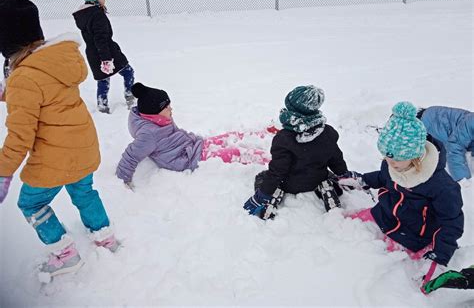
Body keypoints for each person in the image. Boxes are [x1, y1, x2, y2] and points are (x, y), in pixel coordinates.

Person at [0, 0, 117, 280]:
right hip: (83, 146)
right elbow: (49, 97)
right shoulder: (55, 61)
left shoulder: (24, 78)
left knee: (31, 203)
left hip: (55, 157)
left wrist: (3, 171)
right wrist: (10, 95)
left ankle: (65, 255)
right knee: (84, 191)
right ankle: (105, 237)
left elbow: (20, 135)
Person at [338, 101, 464, 286]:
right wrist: (362, 180)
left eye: (396, 159)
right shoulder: (392, 164)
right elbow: (383, 177)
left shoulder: (441, 186)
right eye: (386, 157)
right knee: (346, 227)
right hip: (384, 215)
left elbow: (451, 223)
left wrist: (439, 256)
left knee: (378, 270)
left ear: (415, 155)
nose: (390, 163)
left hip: (414, 235)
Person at [116, 83, 272, 189]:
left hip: (191, 146)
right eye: (167, 107)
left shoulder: (159, 118)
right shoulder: (148, 134)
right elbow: (131, 156)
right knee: (235, 153)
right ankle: (271, 160)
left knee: (228, 137)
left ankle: (265, 133)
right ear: (154, 112)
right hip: (187, 159)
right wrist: (123, 179)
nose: (171, 109)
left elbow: (173, 135)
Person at [243, 85, 348, 220]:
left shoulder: (284, 138)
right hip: (317, 179)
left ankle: (274, 194)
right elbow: (336, 158)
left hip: (289, 184)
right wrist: (343, 174)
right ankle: (326, 187)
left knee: (262, 177)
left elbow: (277, 171)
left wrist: (262, 194)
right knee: (330, 176)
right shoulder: (328, 132)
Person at [73, 0, 135, 113]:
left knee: (103, 79)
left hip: (94, 54)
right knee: (128, 72)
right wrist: (106, 59)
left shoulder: (85, 14)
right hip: (107, 52)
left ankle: (102, 105)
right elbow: (100, 39)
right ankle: (130, 96)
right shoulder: (96, 15)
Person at [417, 106, 473, 184]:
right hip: (430, 122)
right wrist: (462, 178)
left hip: (436, 118)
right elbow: (455, 147)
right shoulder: (470, 125)